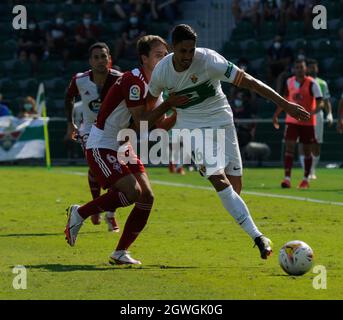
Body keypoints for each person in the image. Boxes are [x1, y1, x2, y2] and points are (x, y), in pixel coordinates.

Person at [147, 24, 309, 260]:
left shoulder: (210, 60)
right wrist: (169, 104)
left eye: (191, 50)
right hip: (190, 129)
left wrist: (285, 105)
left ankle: (251, 229)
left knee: (236, 188)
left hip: (223, 122)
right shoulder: (162, 72)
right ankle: (259, 237)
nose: (187, 56)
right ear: (173, 48)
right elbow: (150, 114)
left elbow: (251, 82)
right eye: (182, 51)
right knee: (218, 179)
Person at [64, 35, 188, 265]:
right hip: (102, 143)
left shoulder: (156, 84)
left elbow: (159, 124)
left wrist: (181, 113)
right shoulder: (134, 80)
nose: (165, 58)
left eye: (165, 54)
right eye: (159, 55)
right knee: (132, 192)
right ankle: (80, 213)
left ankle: (120, 252)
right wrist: (171, 104)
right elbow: (141, 120)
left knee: (147, 197)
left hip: (123, 143)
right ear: (144, 58)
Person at [65, 42, 121, 232]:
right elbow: (68, 97)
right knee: (97, 168)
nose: (100, 61)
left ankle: (109, 213)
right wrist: (70, 123)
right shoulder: (80, 79)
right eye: (96, 57)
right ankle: (97, 205)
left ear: (109, 59)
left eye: (103, 56)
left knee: (118, 173)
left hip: (114, 130)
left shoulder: (119, 79)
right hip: (89, 130)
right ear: (90, 61)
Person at [273, 59, 323, 189]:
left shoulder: (312, 83)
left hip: (307, 122)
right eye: (297, 67)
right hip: (292, 120)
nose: (299, 69)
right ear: (294, 69)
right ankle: (287, 178)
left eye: (301, 67)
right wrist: (276, 114)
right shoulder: (289, 82)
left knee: (307, 150)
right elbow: (284, 100)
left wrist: (312, 112)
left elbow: (320, 102)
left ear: (305, 69)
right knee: (289, 147)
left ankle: (305, 179)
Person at [298, 59, 333, 180]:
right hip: (304, 115)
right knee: (303, 143)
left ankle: (312, 170)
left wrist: (330, 114)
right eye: (310, 67)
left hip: (317, 116)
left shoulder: (322, 83)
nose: (313, 69)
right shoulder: (301, 82)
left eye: (315, 67)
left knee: (316, 143)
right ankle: (306, 171)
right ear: (306, 69)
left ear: (317, 69)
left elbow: (326, 101)